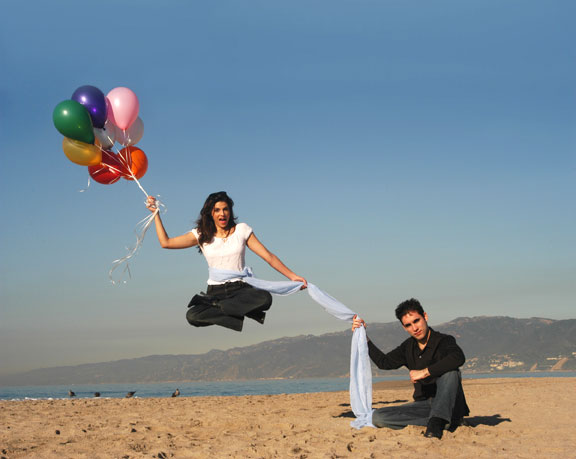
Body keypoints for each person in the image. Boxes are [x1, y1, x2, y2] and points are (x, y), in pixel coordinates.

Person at [146, 191, 307, 332]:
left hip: (240, 289)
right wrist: (156, 214)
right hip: (215, 293)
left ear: (230, 211)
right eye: (217, 210)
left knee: (265, 298)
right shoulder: (201, 234)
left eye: (225, 209)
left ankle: (230, 309)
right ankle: (231, 310)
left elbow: (268, 256)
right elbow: (165, 243)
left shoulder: (242, 230)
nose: (222, 214)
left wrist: (292, 276)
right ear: (210, 213)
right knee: (192, 316)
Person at [352, 298, 469, 439]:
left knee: (451, 372)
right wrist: (364, 337)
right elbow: (384, 362)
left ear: (425, 317)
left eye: (416, 321)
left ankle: (438, 422)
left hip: (449, 404)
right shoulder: (408, 347)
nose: (415, 328)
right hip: (424, 406)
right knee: (377, 417)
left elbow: (458, 358)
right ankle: (441, 422)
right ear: (404, 327)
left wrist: (425, 372)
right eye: (408, 325)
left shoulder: (444, 341)